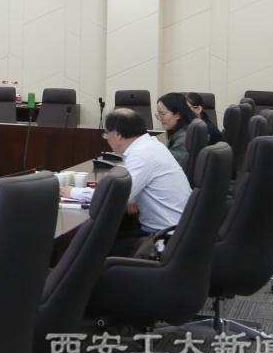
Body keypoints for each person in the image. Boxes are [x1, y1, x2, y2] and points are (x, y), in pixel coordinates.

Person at [61, 108, 191, 256]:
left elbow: (110, 195)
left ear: (117, 135)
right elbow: (126, 190)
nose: (106, 138)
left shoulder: (142, 154)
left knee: (89, 249)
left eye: (106, 134)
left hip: (165, 239)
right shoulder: (149, 146)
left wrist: (72, 192)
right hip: (173, 231)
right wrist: (131, 196)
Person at [155, 92, 196, 169]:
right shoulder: (181, 132)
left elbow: (168, 167)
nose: (160, 119)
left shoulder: (184, 139)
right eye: (158, 115)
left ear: (177, 115)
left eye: (163, 114)